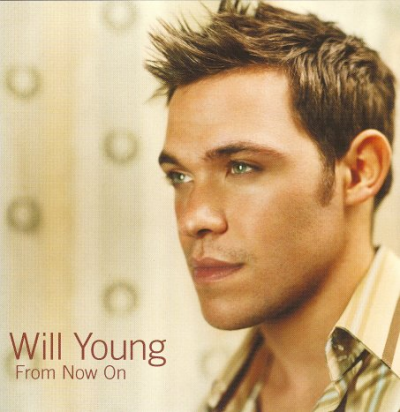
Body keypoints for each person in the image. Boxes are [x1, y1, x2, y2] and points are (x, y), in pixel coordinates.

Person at [146, 1, 400, 410]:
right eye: (180, 176)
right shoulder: (229, 396)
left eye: (241, 167)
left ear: (359, 171)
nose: (193, 218)